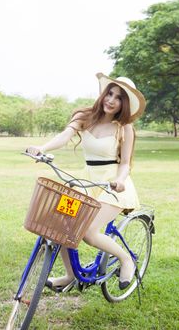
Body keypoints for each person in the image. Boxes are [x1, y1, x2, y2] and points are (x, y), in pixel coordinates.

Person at [26, 72, 146, 290]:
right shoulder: (84, 116)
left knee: (89, 232)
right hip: (85, 182)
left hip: (114, 186)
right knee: (59, 224)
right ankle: (71, 275)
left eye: (119, 98)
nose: (111, 100)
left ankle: (126, 259)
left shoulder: (124, 128)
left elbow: (126, 163)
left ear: (124, 104)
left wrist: (119, 179)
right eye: (110, 93)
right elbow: (64, 136)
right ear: (103, 94)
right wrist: (41, 149)